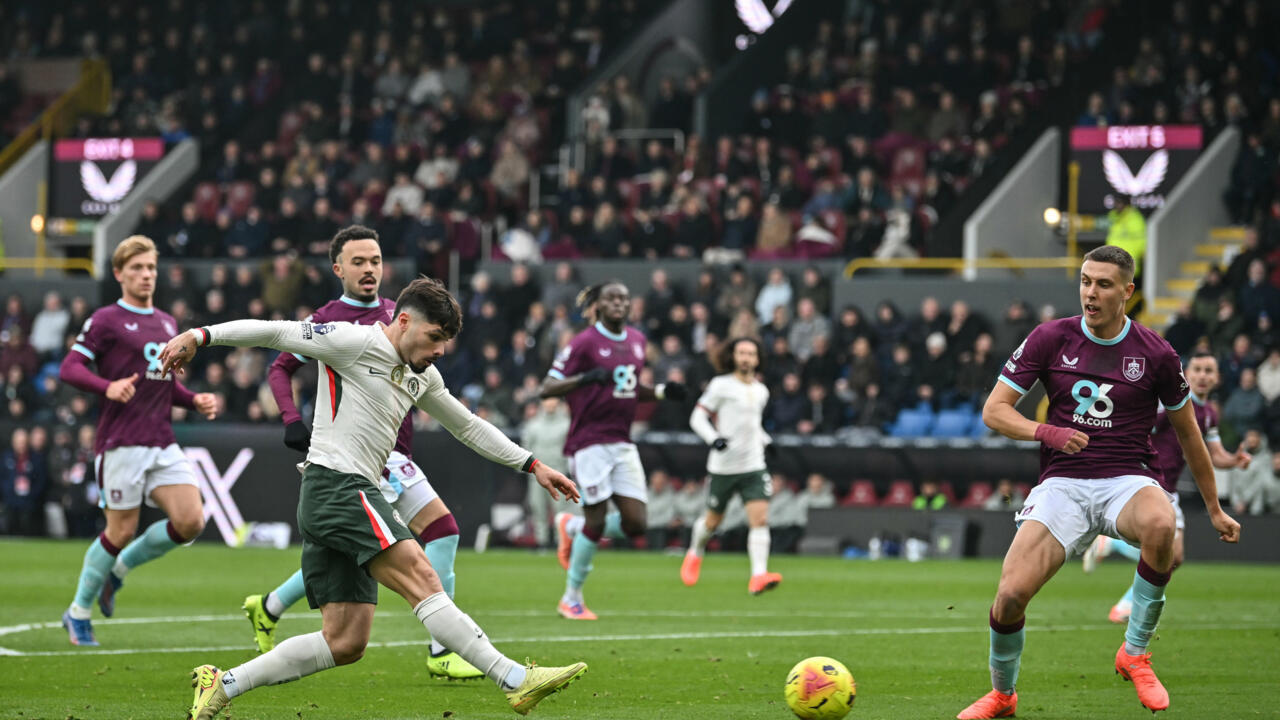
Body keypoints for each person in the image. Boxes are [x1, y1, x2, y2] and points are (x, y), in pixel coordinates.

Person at [159, 277, 587, 718]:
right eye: (434, 337)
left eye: (446, 340)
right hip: (338, 486)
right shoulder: (353, 341)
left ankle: (222, 684)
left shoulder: (423, 376)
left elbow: (468, 426)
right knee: (422, 575)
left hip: (339, 494)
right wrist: (200, 336)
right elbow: (275, 332)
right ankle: (515, 679)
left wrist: (533, 465)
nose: (440, 349)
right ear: (403, 322)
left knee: (345, 641)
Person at [957, 246, 1240, 719]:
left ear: (1127, 291)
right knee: (1009, 597)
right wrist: (1047, 431)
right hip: (1063, 483)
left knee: (1161, 523)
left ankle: (1135, 653)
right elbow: (994, 411)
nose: (1091, 292)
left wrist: (1213, 508)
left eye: (1103, 284)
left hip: (1127, 478)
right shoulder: (1050, 337)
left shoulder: (1157, 353)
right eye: (1085, 281)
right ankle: (1003, 695)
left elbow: (1190, 433)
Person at [246, 225, 479, 679]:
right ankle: (443, 650)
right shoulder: (328, 318)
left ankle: (270, 605)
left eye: (375, 260)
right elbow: (280, 367)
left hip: (397, 453)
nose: (369, 269)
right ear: (338, 269)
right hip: (356, 457)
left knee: (423, 535)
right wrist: (291, 418)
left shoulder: (399, 314)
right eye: (358, 262)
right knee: (426, 535)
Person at [56, 236, 218, 647]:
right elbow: (70, 368)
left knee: (191, 521)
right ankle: (78, 612)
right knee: (120, 530)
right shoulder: (106, 319)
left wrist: (192, 400)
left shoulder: (166, 323)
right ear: (119, 274)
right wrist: (106, 387)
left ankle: (118, 571)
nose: (146, 275)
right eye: (137, 268)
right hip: (121, 442)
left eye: (150, 268)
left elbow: (160, 381)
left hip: (161, 440)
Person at [541, 281, 687, 620]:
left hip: (622, 440)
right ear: (598, 306)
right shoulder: (584, 342)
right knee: (596, 519)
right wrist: (585, 379)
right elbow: (548, 387)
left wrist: (662, 392)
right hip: (588, 441)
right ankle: (571, 598)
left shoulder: (637, 340)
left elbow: (628, 387)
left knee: (637, 524)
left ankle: (571, 528)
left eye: (624, 298)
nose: (619, 303)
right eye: (612, 298)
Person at [1081, 351, 1250, 622]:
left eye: (1209, 371)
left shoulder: (1209, 414)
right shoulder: (1170, 404)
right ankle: (1117, 563)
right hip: (1149, 482)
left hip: (1170, 489)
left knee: (1174, 558)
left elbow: (1215, 455)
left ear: (1217, 378)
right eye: (1197, 369)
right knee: (1164, 552)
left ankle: (1123, 598)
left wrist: (1234, 460)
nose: (1203, 376)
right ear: (1186, 374)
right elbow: (1140, 426)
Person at [681, 337, 783, 594]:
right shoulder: (720, 385)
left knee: (760, 519)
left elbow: (752, 424)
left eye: (750, 353)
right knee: (712, 522)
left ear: (757, 359)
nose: (746, 358)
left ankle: (758, 576)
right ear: (733, 357)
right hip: (724, 467)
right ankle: (695, 551)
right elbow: (697, 417)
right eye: (741, 353)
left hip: (753, 465)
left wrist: (766, 440)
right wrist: (713, 439)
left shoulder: (761, 391)